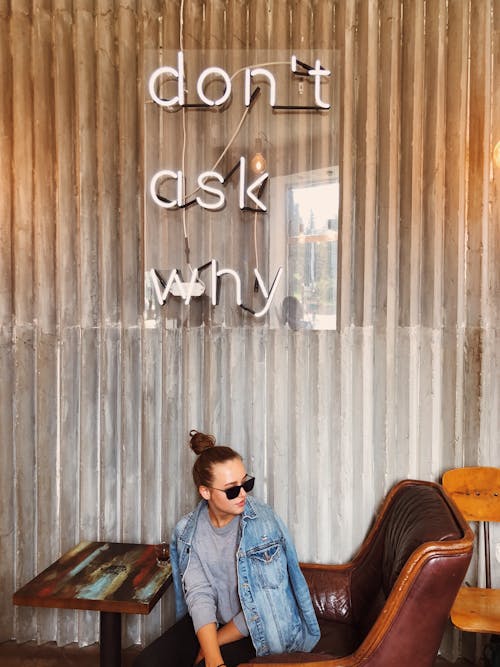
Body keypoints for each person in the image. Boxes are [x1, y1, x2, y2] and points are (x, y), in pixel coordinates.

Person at [133, 429, 320, 667]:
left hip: (261, 628)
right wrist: (212, 653)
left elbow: (264, 604)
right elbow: (199, 595)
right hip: (211, 623)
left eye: (246, 483)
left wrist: (212, 649)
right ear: (205, 492)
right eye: (232, 489)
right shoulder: (187, 532)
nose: (243, 494)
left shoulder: (263, 523)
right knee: (145, 664)